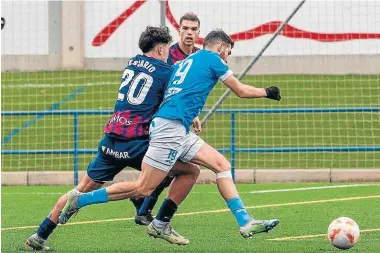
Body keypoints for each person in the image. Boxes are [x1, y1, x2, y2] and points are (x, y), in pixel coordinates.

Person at [59, 29, 281, 245]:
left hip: (177, 127)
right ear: (221, 46)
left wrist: (191, 114)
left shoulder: (186, 61)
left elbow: (177, 92)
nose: (228, 57)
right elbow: (240, 90)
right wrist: (268, 92)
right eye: (229, 52)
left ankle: (242, 222)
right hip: (170, 129)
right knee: (143, 188)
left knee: (217, 165)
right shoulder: (213, 58)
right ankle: (81, 199)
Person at [25, 26, 200, 251]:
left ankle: (40, 235)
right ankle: (154, 215)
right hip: (137, 143)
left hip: (112, 139)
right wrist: (192, 114)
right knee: (187, 171)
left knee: (79, 189)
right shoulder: (165, 72)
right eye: (166, 48)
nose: (168, 53)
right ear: (159, 48)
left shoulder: (132, 62)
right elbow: (174, 100)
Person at [134, 12, 201, 226]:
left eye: (193, 29)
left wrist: (194, 114)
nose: (189, 32)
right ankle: (142, 204)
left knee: (174, 167)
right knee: (172, 166)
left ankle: (143, 206)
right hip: (161, 118)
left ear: (199, 33)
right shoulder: (169, 56)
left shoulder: (198, 56)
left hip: (179, 119)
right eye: (185, 28)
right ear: (179, 30)